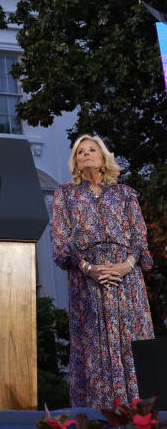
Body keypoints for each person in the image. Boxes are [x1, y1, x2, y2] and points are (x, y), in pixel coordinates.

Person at [51, 134, 154, 408]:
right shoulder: (65, 194)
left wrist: (124, 266)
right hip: (88, 284)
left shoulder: (125, 194)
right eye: (80, 151)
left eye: (91, 149)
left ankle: (141, 416)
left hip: (127, 282)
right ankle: (100, 416)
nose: (85, 154)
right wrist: (89, 268)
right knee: (94, 349)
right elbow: (60, 246)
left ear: (104, 157)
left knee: (131, 346)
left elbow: (140, 242)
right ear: (75, 161)